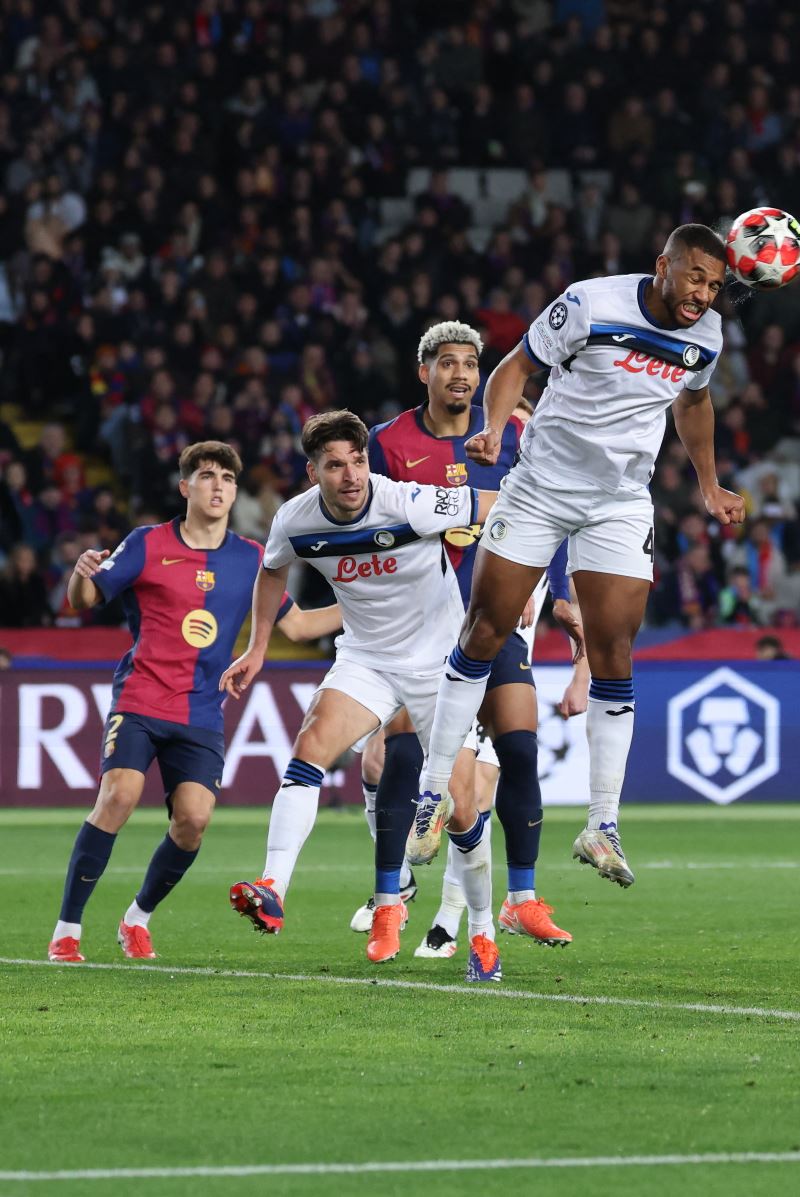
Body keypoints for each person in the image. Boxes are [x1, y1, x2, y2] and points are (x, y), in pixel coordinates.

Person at [410, 224, 745, 890]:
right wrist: (493, 426)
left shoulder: (705, 337)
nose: (703, 295)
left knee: (613, 648)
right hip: (539, 488)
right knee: (485, 630)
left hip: (620, 501)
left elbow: (695, 401)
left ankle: (602, 823)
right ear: (663, 266)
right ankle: (431, 791)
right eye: (695, 277)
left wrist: (708, 483)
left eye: (714, 285)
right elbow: (516, 367)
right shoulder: (590, 305)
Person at [220, 411, 503, 981]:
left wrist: (516, 580)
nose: (350, 475)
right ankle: (273, 886)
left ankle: (482, 930)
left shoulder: (409, 502)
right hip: (366, 659)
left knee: (462, 807)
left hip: (438, 665)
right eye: (335, 465)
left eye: (357, 461)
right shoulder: (294, 520)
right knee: (308, 750)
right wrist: (257, 646)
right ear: (313, 471)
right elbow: (271, 572)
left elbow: (497, 506)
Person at [47, 442, 340, 963]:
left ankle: (137, 919)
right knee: (118, 796)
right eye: (207, 476)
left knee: (194, 820)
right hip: (140, 698)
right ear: (186, 487)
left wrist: (376, 599)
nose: (219, 486)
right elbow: (84, 600)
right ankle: (67, 931)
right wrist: (81, 572)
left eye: (228, 478)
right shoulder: (145, 544)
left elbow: (297, 624)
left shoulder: (253, 559)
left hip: (201, 712)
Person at [355, 322, 583, 955]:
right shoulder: (388, 443)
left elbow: (553, 514)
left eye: (471, 364)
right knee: (401, 754)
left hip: (494, 615)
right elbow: (366, 523)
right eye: (448, 363)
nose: (461, 374)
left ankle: (523, 899)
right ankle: (387, 901)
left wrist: (557, 591)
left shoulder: (514, 432)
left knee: (521, 747)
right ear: (423, 370)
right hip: (421, 625)